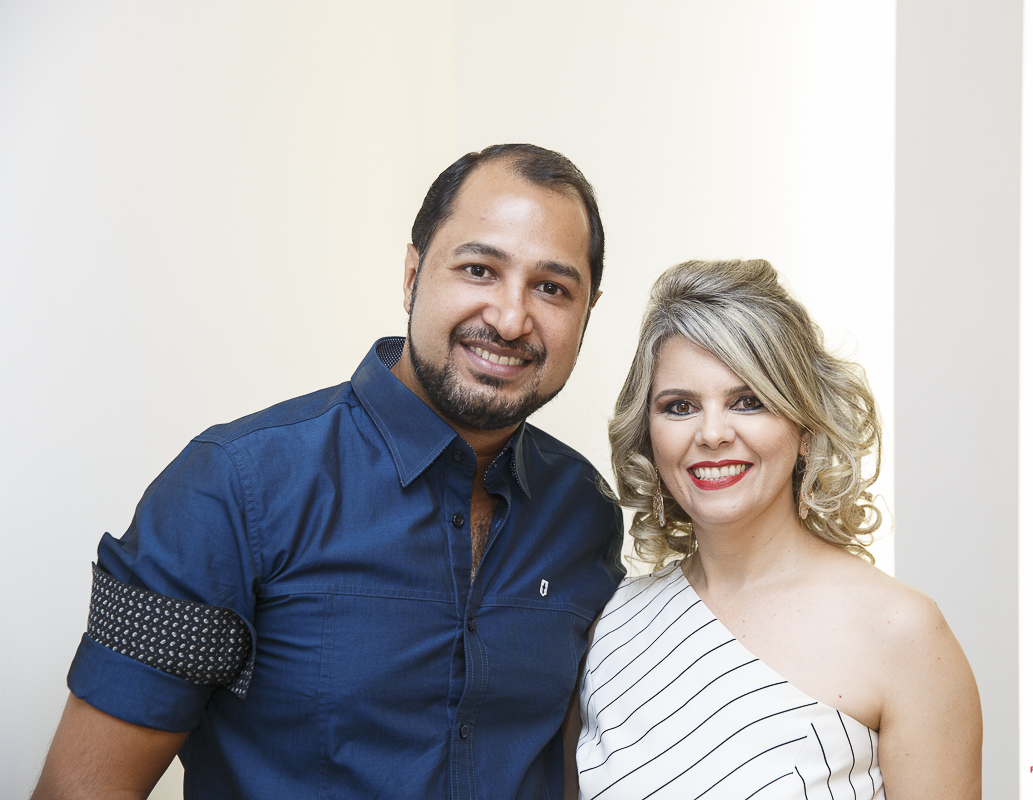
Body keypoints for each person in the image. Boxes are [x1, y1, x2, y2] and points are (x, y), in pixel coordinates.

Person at [33, 144, 625, 800]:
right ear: (412, 274)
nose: (511, 319)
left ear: (587, 311)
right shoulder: (229, 488)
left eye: (551, 288)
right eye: (479, 269)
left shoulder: (585, 512)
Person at [574, 259, 982, 799]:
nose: (712, 433)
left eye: (748, 402)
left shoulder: (902, 632)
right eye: (680, 406)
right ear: (649, 434)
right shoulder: (611, 624)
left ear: (805, 427)